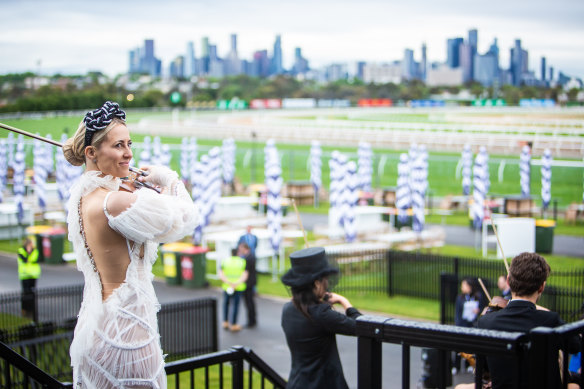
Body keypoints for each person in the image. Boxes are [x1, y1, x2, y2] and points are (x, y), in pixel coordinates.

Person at [62, 101, 198, 388]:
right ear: (91, 153)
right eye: (118, 146)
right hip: (127, 335)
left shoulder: (85, 198)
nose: (129, 154)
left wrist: (126, 185)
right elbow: (186, 217)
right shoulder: (116, 201)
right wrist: (170, 180)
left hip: (97, 326)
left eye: (129, 143)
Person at [478, 252, 580, 389]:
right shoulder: (550, 320)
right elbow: (576, 345)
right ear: (541, 287)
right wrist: (545, 311)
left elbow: (484, 367)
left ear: (508, 281)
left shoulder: (486, 322)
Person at [281, 247, 362, 389]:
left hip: (297, 383)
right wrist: (345, 302)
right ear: (317, 284)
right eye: (325, 279)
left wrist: (320, 302)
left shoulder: (287, 309)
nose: (327, 283)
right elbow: (361, 326)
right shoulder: (321, 314)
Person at [453, 277, 485, 373]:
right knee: (459, 347)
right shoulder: (460, 297)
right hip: (462, 324)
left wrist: (478, 310)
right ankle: (456, 366)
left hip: (472, 324)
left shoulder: (478, 296)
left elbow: (482, 307)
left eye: (464, 285)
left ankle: (469, 364)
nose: (462, 287)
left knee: (469, 346)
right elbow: (457, 313)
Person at [218, 247, 248, 332]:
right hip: (238, 287)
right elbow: (244, 275)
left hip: (227, 287)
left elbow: (221, 274)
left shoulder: (225, 261)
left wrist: (229, 283)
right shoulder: (242, 262)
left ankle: (225, 322)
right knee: (235, 305)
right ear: (238, 253)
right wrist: (236, 283)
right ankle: (234, 324)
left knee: (226, 304)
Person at [17, 238, 40, 320]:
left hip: (33, 275)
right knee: (25, 292)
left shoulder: (35, 251)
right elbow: (24, 259)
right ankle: (25, 309)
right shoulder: (21, 251)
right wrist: (29, 258)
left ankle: (31, 309)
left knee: (32, 292)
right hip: (24, 275)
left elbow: (36, 259)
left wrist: (29, 259)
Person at [239, 242, 257, 328]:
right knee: (250, 302)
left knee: (249, 302)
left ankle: (251, 321)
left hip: (248, 283)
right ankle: (252, 320)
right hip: (251, 282)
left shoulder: (247, 258)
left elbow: (245, 271)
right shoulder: (251, 256)